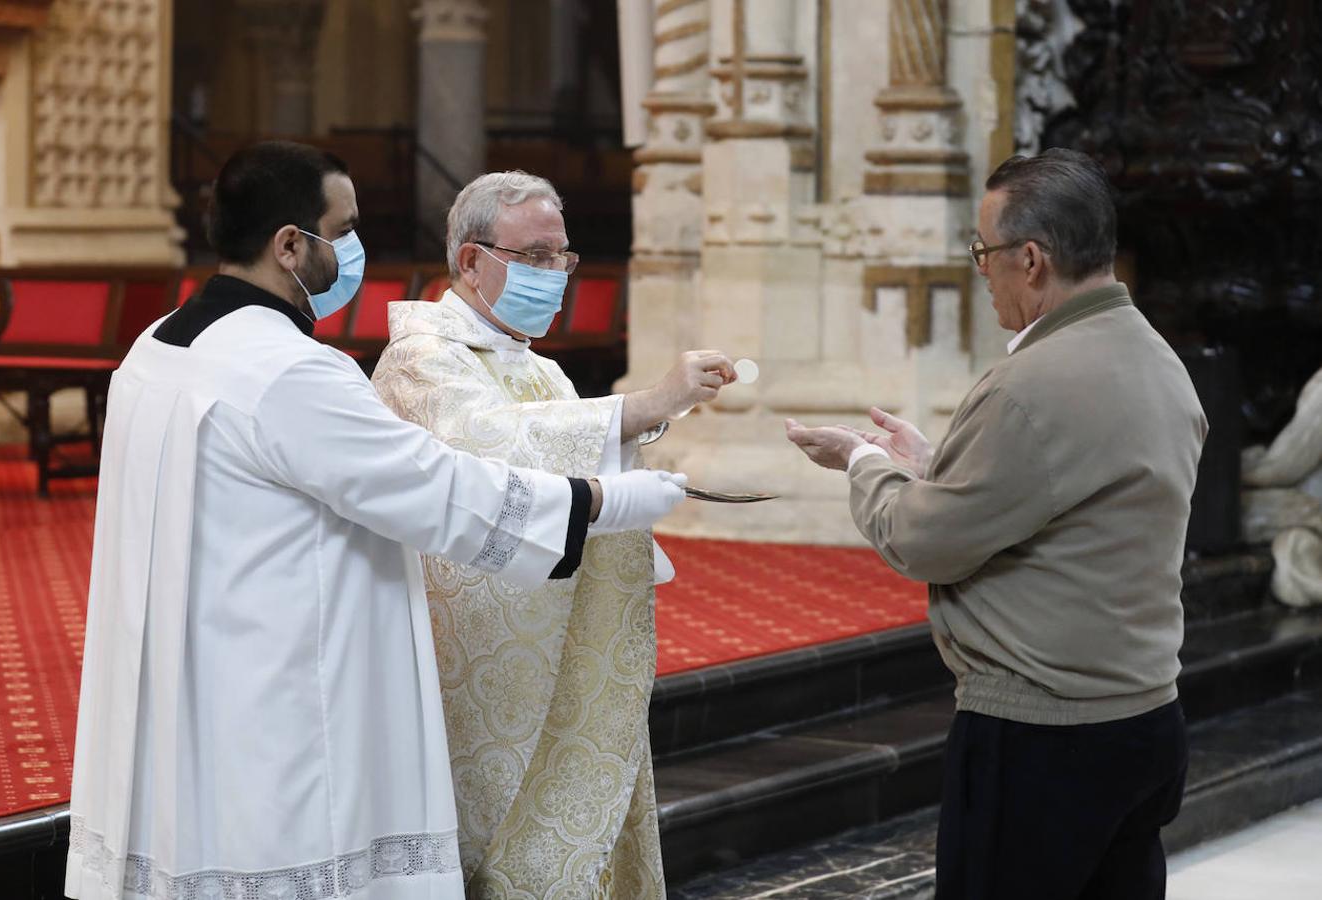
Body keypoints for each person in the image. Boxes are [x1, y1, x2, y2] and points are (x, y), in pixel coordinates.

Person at [64, 142, 689, 900]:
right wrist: (606, 501)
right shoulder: (290, 370)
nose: (357, 249)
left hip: (185, 656)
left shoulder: (156, 347)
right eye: (345, 228)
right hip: (280, 676)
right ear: (289, 244)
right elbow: (437, 492)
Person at [785, 149, 1207, 900]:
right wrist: (933, 464)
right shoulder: (1156, 357)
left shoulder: (1029, 384)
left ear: (1032, 259)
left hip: (1045, 734)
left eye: (983, 252)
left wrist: (861, 463)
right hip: (1146, 716)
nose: (980, 270)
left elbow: (922, 543)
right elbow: (1064, 498)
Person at [371, 170, 733, 898]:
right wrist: (643, 405)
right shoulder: (421, 358)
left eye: (560, 257)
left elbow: (564, 447)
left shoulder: (539, 369)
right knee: (499, 836)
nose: (553, 275)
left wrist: (644, 426)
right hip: (479, 655)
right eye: (533, 256)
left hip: (559, 639)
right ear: (470, 262)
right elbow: (488, 452)